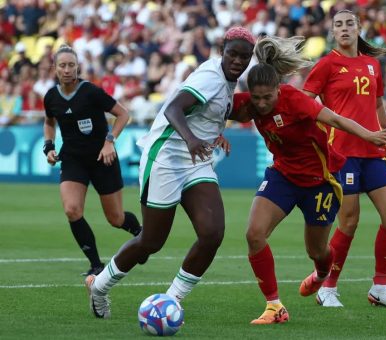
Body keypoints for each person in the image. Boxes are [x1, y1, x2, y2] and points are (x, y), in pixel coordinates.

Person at [84, 27, 256, 319]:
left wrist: (216, 132)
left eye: (244, 56)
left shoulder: (228, 81)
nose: (238, 60)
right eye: (233, 54)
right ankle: (98, 286)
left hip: (196, 161)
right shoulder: (210, 77)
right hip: (165, 158)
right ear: (221, 51)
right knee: (151, 241)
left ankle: (171, 300)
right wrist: (190, 138)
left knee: (212, 233)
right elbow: (174, 109)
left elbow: (210, 112)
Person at [230, 36, 386, 324]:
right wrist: (214, 133)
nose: (260, 104)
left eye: (267, 97)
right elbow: (211, 110)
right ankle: (274, 307)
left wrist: (371, 135)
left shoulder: (294, 99)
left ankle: (323, 273)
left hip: (320, 181)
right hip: (283, 176)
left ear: (277, 89)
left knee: (317, 251)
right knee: (253, 234)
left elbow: (334, 119)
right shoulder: (246, 103)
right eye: (256, 98)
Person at [302, 9, 386, 308]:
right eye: (339, 24)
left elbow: (377, 107)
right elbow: (304, 104)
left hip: (375, 151)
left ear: (359, 28)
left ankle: (380, 288)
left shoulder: (372, 65)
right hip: (343, 153)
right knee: (349, 222)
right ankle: (328, 288)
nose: (345, 28)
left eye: (350, 23)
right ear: (333, 32)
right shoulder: (326, 65)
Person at [43, 45, 142, 276]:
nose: (67, 70)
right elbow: (49, 122)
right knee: (72, 210)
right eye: (62, 65)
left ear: (78, 67)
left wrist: (110, 141)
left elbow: (123, 114)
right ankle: (96, 264)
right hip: (73, 160)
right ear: (55, 68)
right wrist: (48, 146)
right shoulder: (51, 96)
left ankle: (140, 233)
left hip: (102, 159)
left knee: (116, 219)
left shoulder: (91, 91)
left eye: (71, 65)